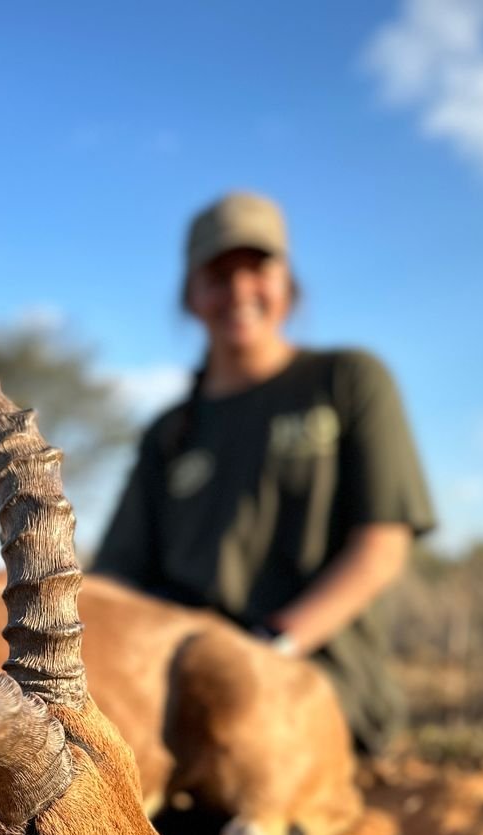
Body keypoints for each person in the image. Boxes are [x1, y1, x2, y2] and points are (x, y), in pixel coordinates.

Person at [94, 192, 434, 754]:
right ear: (192, 295)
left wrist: (266, 649)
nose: (238, 291)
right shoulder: (169, 432)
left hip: (308, 675)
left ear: (288, 283)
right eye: (217, 275)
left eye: (257, 268)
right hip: (178, 689)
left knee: (245, 754)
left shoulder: (348, 380)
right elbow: (116, 582)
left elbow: (382, 547)